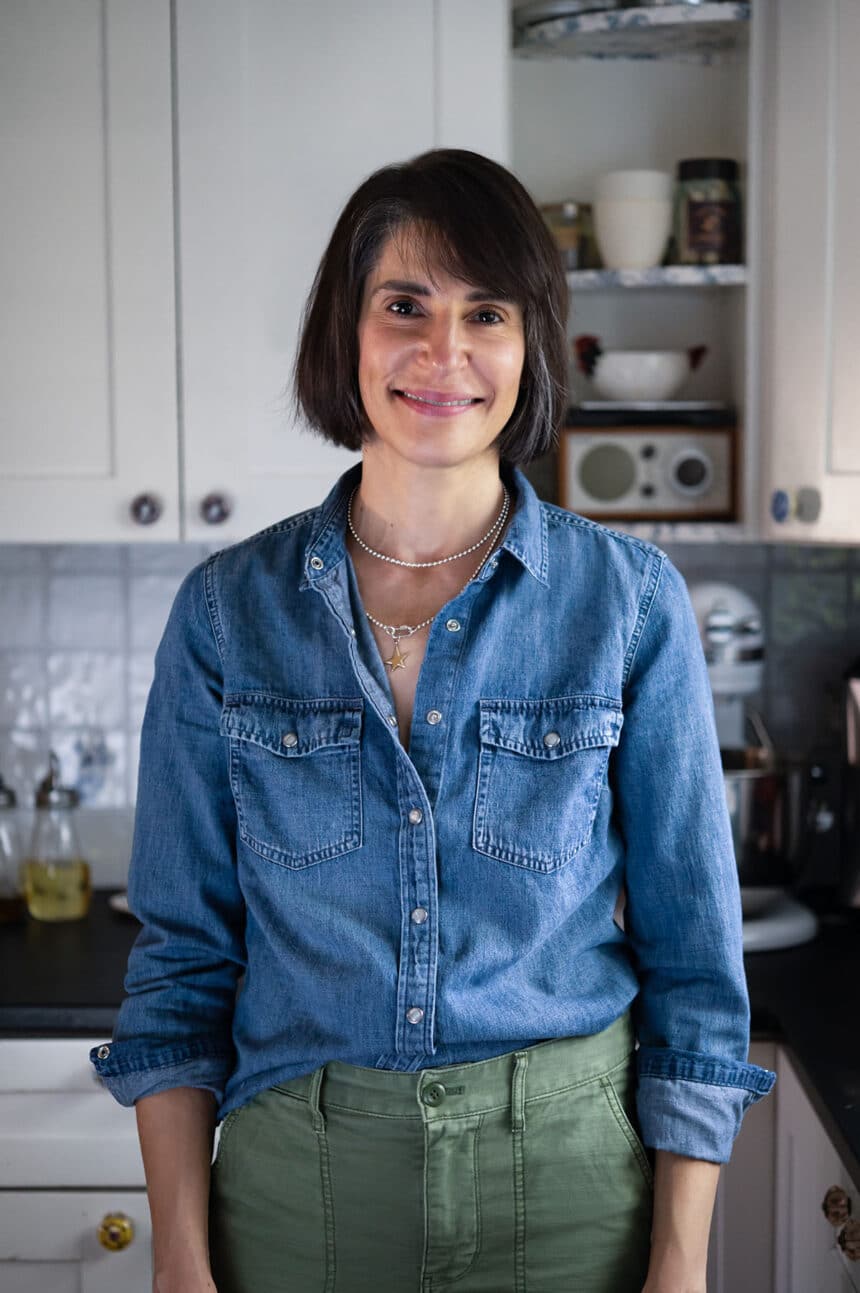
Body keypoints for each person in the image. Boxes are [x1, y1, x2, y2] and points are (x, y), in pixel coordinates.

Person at [91, 148, 776, 1293]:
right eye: (402, 305)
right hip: (297, 1193)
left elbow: (694, 965)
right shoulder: (225, 613)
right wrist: (179, 1258)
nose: (441, 353)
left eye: (485, 313)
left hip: (567, 1193)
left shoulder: (627, 604)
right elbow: (181, 963)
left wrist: (677, 1263)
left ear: (529, 345)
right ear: (344, 334)